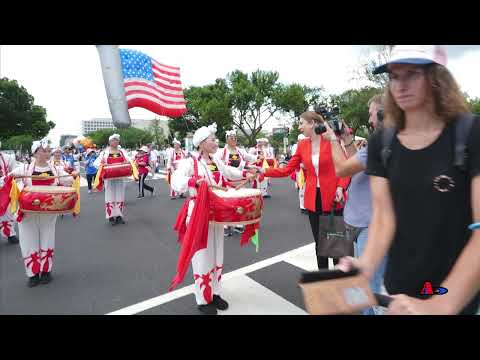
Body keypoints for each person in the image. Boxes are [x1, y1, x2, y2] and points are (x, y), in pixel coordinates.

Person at [337, 45, 480, 315]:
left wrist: (442, 303)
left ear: (437, 77)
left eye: (411, 74)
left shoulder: (470, 133)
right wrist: (365, 265)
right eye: (394, 76)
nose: (399, 85)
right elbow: (382, 216)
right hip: (400, 289)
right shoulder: (383, 143)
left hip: (452, 289)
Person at [169, 123, 256, 315]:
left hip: (216, 212)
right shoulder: (190, 161)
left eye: (215, 140)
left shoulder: (216, 160)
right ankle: (203, 299)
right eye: (212, 140)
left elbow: (228, 172)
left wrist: (246, 173)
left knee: (217, 252)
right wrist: (192, 181)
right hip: (199, 213)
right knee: (201, 255)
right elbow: (176, 180)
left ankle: (215, 293)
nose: (216, 142)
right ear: (201, 143)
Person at [256, 111, 351, 270]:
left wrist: (341, 187)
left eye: (301, 123)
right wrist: (263, 171)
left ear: (312, 123)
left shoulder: (331, 140)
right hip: (313, 199)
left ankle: (339, 280)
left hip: (333, 198)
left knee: (335, 243)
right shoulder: (302, 145)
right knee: (320, 243)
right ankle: (323, 279)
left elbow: (345, 167)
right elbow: (287, 170)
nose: (299, 127)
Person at [325, 94, 387, 315]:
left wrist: (332, 139)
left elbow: (342, 168)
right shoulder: (379, 144)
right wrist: (346, 139)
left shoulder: (383, 143)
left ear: (382, 114)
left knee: (369, 285)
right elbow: (356, 163)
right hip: (362, 222)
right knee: (365, 282)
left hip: (370, 225)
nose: (369, 119)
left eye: (371, 113)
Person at [1, 139, 77, 287]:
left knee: (47, 239)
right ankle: (33, 274)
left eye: (49, 150)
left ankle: (46, 271)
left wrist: (73, 174)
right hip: (27, 212)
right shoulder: (24, 169)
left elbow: (68, 180)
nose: (48, 152)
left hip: (48, 212)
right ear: (35, 152)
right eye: (44, 150)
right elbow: (6, 179)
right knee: (28, 241)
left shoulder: (55, 169)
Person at [219, 129, 258, 236]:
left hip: (240, 180)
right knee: (227, 203)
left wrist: (258, 159)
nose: (233, 139)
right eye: (231, 137)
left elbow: (250, 158)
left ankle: (238, 223)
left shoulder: (240, 151)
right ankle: (226, 225)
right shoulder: (221, 152)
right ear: (226, 139)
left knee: (240, 201)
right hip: (227, 181)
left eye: (235, 138)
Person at [93, 134, 134, 226]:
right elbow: (96, 163)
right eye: (113, 140)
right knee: (110, 196)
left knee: (120, 195)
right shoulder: (104, 153)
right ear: (109, 142)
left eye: (116, 140)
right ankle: (111, 216)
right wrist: (103, 166)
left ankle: (119, 216)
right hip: (109, 178)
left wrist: (127, 162)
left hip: (120, 178)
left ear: (118, 142)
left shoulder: (122, 152)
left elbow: (130, 161)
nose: (115, 142)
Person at [0, 150, 19, 244]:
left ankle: (10, 233)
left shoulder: (8, 158)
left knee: (7, 211)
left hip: (5, 188)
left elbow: (15, 171)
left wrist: (8, 177)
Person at [291, 134, 307, 214]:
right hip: (301, 170)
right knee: (302, 188)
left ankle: (307, 205)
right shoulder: (296, 147)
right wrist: (301, 165)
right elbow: (295, 160)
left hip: (308, 170)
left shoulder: (307, 146)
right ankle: (303, 206)